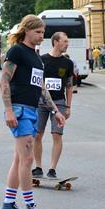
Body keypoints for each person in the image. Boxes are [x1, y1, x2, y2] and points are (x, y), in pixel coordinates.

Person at [0, 14, 65, 209]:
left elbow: (41, 87)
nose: (41, 36)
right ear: (26, 30)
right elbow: (4, 81)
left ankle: (8, 205)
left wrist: (56, 110)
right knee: (27, 159)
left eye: (43, 33)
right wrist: (8, 110)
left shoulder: (36, 57)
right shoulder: (17, 51)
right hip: (19, 109)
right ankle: (30, 207)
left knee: (20, 159)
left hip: (33, 110)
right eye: (37, 32)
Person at [32, 32, 74, 179]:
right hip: (41, 102)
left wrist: (68, 107)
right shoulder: (41, 60)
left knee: (57, 135)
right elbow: (36, 82)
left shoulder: (68, 63)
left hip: (59, 102)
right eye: (65, 41)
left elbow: (69, 86)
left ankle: (52, 169)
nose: (67, 44)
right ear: (56, 42)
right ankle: (38, 167)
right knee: (37, 134)